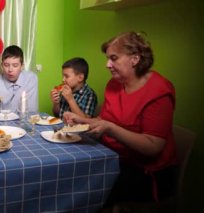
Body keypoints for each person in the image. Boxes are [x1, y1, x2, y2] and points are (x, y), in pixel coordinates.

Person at [63, 32, 177, 206]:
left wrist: (110, 128)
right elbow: (104, 120)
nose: (107, 64)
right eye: (108, 58)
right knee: (70, 173)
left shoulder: (159, 90)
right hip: (113, 157)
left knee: (85, 189)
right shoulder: (114, 84)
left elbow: (153, 147)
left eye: (114, 58)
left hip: (146, 172)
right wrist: (81, 120)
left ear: (135, 59)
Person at [0, 45, 38, 113]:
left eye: (15, 65)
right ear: (2, 66)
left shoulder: (31, 79)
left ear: (22, 66)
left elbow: (30, 111)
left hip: (25, 121)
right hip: (2, 123)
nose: (10, 70)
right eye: (6, 65)